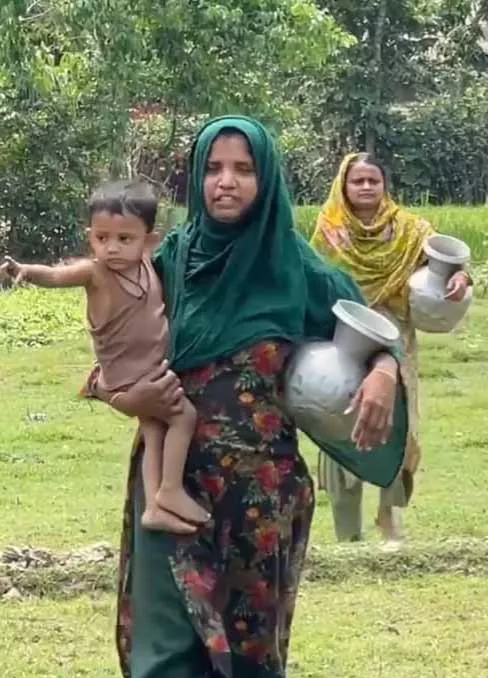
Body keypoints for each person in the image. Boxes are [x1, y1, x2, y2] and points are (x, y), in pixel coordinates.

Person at [81, 116, 411, 677]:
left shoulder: (294, 269)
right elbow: (110, 361)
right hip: (169, 486)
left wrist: (384, 371)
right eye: (213, 168)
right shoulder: (169, 263)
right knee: (164, 652)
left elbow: (373, 337)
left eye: (243, 169)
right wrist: (123, 399)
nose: (226, 182)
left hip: (259, 497)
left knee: (246, 654)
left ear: (267, 179)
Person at [2, 181, 206, 535]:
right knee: (184, 417)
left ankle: (154, 506)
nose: (111, 248)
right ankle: (171, 489)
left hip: (147, 372)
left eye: (124, 239)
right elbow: (57, 275)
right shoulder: (95, 273)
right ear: (90, 236)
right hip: (129, 378)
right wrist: (27, 271)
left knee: (154, 430)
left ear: (149, 240)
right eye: (102, 238)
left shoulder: (147, 265)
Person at [309, 152, 472, 544]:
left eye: (374, 180)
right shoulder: (329, 231)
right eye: (357, 181)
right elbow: (311, 281)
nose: (366, 187)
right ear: (343, 186)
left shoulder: (410, 230)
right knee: (338, 420)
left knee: (396, 425)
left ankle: (391, 518)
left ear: (385, 185)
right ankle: (347, 531)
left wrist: (462, 278)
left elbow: (450, 265)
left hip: (396, 344)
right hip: (343, 341)